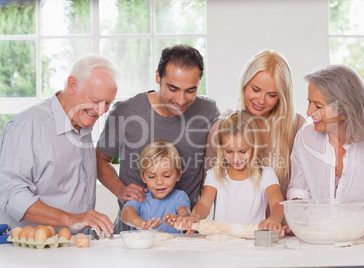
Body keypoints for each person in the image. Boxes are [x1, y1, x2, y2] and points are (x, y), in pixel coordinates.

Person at [96, 44, 220, 233]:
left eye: (190, 90)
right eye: (173, 88)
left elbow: (216, 165)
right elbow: (100, 159)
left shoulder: (208, 112)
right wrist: (120, 190)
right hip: (133, 236)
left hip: (185, 237)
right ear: (157, 77)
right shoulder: (126, 112)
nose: (180, 100)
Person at [0, 54, 120, 236]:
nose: (101, 111)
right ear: (72, 85)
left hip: (72, 249)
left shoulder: (82, 122)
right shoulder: (29, 125)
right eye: (96, 101)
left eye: (108, 103)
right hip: (29, 253)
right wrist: (71, 219)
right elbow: (11, 195)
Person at [287, 64, 364, 231]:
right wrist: (299, 219)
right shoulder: (305, 137)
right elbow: (299, 194)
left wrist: (326, 223)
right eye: (309, 102)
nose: (309, 111)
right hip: (322, 238)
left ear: (344, 111)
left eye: (318, 106)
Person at [205, 49, 305, 207]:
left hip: (283, 227)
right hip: (236, 225)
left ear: (282, 96)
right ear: (244, 84)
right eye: (255, 90)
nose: (261, 100)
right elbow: (209, 188)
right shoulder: (222, 128)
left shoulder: (297, 126)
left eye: (272, 95)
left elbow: (305, 186)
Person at [168, 111, 284, 234]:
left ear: (254, 147)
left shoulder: (266, 175)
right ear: (221, 148)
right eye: (229, 151)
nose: (236, 158)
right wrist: (195, 217)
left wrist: (274, 219)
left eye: (242, 151)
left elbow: (277, 202)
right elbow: (204, 204)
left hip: (252, 243)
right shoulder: (215, 175)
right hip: (220, 242)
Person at [121, 140, 190, 233]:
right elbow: (126, 213)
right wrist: (140, 223)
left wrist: (180, 218)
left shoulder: (179, 196)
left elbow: (184, 211)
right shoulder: (140, 197)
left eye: (166, 176)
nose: (159, 182)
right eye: (152, 177)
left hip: (172, 247)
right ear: (143, 177)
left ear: (178, 175)